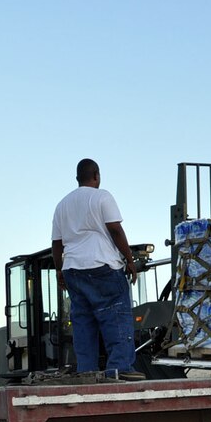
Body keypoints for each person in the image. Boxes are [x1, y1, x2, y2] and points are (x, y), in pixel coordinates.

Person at [51, 158, 141, 378]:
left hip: (73, 270)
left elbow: (56, 244)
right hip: (102, 266)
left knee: (83, 323)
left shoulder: (62, 205)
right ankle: (120, 370)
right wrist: (130, 260)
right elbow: (115, 230)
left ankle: (87, 373)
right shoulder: (102, 196)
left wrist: (59, 271)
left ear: (77, 179)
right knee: (116, 317)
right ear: (97, 175)